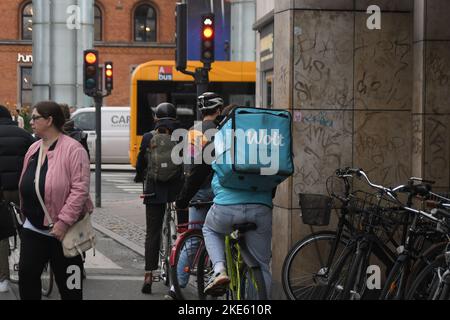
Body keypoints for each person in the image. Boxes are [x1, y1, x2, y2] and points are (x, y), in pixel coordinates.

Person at [18, 101, 93, 300]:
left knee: (71, 289)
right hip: (33, 228)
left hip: (65, 233)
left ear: (49, 120)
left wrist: (63, 223)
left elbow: (80, 190)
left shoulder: (74, 149)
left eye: (35, 118)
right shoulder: (34, 148)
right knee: (27, 279)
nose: (31, 122)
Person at [201, 107, 275, 299]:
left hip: (226, 208)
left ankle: (219, 270)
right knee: (262, 265)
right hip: (261, 208)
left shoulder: (220, 138)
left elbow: (203, 170)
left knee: (210, 229)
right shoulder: (263, 139)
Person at [163, 93, 225, 299]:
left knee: (193, 238)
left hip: (196, 191)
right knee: (221, 237)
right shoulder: (222, 131)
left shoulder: (191, 132)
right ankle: (215, 276)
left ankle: (176, 285)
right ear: (217, 111)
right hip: (216, 191)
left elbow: (188, 165)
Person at [134, 102, 184, 294]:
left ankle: (148, 275)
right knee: (182, 230)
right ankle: (179, 273)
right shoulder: (181, 136)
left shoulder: (148, 137)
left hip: (154, 190)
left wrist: (139, 176)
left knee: (152, 232)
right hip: (176, 190)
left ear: (156, 118)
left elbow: (140, 162)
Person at [0, 105, 35, 293]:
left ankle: (3, 279)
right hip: (23, 189)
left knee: (1, 234)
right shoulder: (24, 135)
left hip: (1, 191)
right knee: (28, 229)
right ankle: (30, 271)